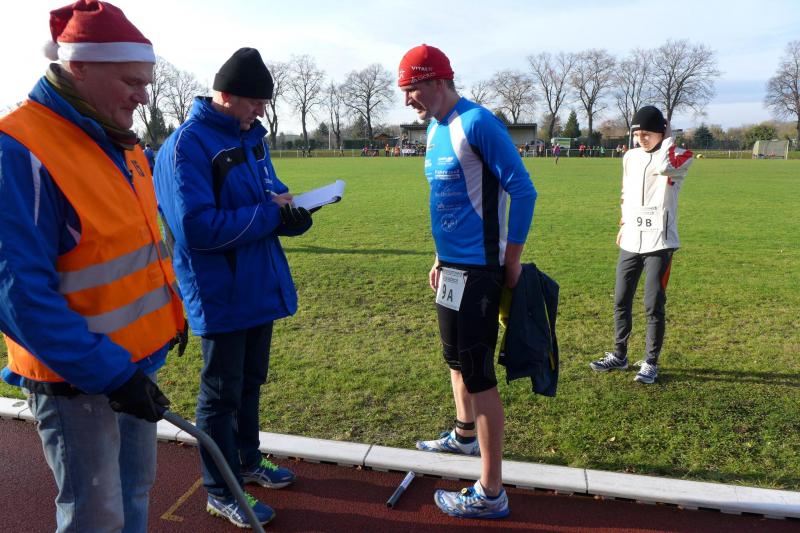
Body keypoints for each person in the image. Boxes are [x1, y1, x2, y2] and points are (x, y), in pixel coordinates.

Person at [0, 2, 185, 532]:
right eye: (132, 81)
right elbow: (18, 292)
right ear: (78, 66)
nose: (144, 96)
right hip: (79, 380)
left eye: (146, 82)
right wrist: (109, 373)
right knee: (95, 515)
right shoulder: (20, 148)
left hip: (133, 366)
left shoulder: (118, 140)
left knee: (134, 493)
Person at [154, 47, 312, 528]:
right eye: (254, 101)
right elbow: (196, 228)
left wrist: (293, 215)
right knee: (220, 394)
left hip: (258, 283)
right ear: (225, 95)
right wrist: (269, 214)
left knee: (250, 381)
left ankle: (246, 460)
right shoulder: (186, 146)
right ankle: (221, 490)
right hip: (219, 289)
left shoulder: (252, 138)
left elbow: (269, 195)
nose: (260, 111)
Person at [398, 44, 536, 519]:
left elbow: (524, 190)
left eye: (411, 88)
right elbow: (449, 199)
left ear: (437, 81)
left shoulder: (478, 123)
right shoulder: (435, 130)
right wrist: (439, 256)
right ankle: (462, 436)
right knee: (454, 360)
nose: (407, 100)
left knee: (479, 376)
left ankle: (491, 491)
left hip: (480, 270)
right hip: (451, 269)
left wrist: (511, 261)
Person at [590, 106, 693, 384]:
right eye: (637, 134)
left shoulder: (680, 155)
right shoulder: (630, 157)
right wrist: (624, 223)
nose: (641, 139)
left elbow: (664, 167)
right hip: (632, 239)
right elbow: (626, 193)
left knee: (653, 304)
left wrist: (667, 138)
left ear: (662, 131)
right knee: (621, 299)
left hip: (660, 242)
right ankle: (619, 355)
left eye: (647, 133)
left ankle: (650, 362)